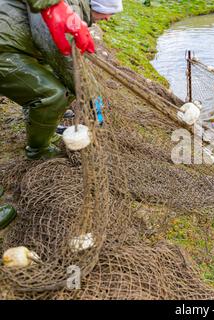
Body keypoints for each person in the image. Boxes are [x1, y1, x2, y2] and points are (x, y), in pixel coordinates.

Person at [0, 0, 122, 228]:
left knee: (58, 89)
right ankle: (39, 149)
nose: (108, 18)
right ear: (94, 5)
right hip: (4, 48)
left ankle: (37, 117)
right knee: (53, 95)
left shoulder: (69, 9)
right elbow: (64, 61)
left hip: (12, 43)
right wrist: (90, 97)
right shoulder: (68, 11)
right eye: (107, 13)